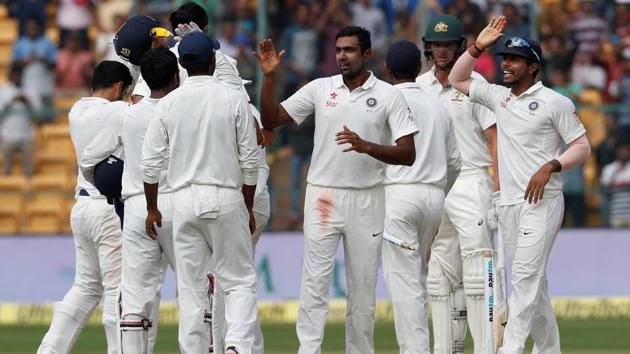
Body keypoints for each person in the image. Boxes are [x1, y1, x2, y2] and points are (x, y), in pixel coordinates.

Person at [256, 26, 418, 354]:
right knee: (314, 283)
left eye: (350, 50)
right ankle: (309, 350)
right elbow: (271, 119)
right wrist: (270, 77)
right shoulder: (320, 88)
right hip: (324, 195)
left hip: (368, 198)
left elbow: (407, 153)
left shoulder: (389, 95)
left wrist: (365, 146)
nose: (342, 56)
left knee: (362, 287)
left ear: (367, 54)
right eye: (339, 50)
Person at [449, 16, 592, 354]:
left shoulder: (555, 102)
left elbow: (582, 146)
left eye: (513, 60)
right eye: (504, 59)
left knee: (524, 280)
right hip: (508, 203)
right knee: (534, 284)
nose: (506, 65)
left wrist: (552, 165)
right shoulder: (499, 97)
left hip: (542, 202)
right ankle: (549, 350)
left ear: (532, 67)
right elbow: (457, 78)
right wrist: (478, 45)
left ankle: (508, 350)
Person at [142, 32, 259, 354]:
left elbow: (150, 165)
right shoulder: (233, 98)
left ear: (181, 64)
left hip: (182, 201)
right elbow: (249, 159)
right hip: (224, 194)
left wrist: (152, 209)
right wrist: (247, 206)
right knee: (238, 282)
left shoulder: (167, 104)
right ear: (212, 61)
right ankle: (237, 346)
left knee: (191, 289)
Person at [79, 48, 180, 354]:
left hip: (137, 206)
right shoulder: (184, 110)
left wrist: (112, 180)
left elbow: (87, 161)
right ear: (176, 77)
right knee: (194, 292)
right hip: (179, 203)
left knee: (134, 297)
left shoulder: (127, 114)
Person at [37, 61, 132, 354]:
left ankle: (49, 350)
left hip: (82, 208)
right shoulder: (119, 111)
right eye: (125, 91)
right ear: (118, 87)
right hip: (108, 210)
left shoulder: (76, 110)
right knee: (117, 290)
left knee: (85, 288)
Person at [416, 15, 499, 354]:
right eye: (436, 45)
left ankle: (486, 349)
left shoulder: (473, 84)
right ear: (428, 47)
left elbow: (494, 138)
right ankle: (446, 350)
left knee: (479, 273)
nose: (441, 51)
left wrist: (498, 189)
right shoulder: (418, 88)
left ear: (459, 47)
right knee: (437, 276)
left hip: (472, 180)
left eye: (448, 45)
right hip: (435, 186)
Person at [382, 40, 462, 354]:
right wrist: (439, 192)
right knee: (418, 278)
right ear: (419, 68)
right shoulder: (438, 107)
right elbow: (456, 163)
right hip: (433, 199)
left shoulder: (384, 101)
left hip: (399, 196)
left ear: (386, 69)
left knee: (405, 284)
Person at [0, 63, 40, 176]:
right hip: (7, 136)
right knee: (6, 169)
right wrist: (11, 102)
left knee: (28, 170)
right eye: (15, 75)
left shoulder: (31, 91)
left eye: (19, 75)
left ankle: (29, 192)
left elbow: (38, 117)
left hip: (27, 136)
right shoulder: (3, 91)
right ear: (11, 75)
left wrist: (27, 103)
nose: (17, 78)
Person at [600, 139, 630, 228]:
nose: (624, 152)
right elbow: (604, 188)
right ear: (617, 152)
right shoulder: (609, 169)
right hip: (615, 215)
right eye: (622, 150)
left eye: (627, 150)